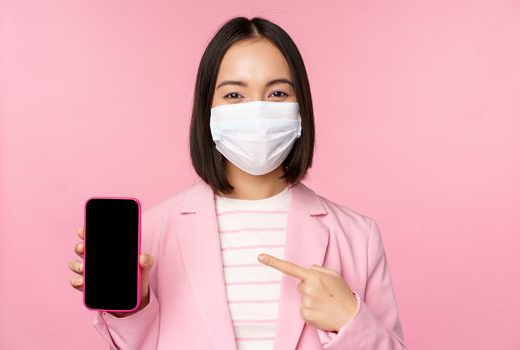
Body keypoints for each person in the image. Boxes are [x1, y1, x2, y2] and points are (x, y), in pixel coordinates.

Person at [68, 16, 408, 350]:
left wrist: (351, 320)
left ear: (301, 108)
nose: (257, 112)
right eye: (234, 96)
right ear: (208, 112)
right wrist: (131, 308)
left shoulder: (358, 237)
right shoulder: (152, 234)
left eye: (277, 93)